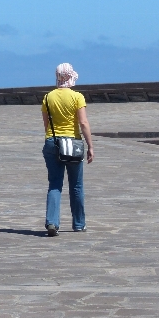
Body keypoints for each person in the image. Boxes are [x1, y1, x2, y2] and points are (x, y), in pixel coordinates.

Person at [41, 63, 94, 236]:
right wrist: (90, 146)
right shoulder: (77, 97)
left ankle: (52, 223)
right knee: (76, 186)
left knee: (55, 184)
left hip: (52, 142)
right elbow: (83, 123)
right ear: (70, 78)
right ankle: (79, 223)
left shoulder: (48, 97)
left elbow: (46, 124)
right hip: (73, 143)